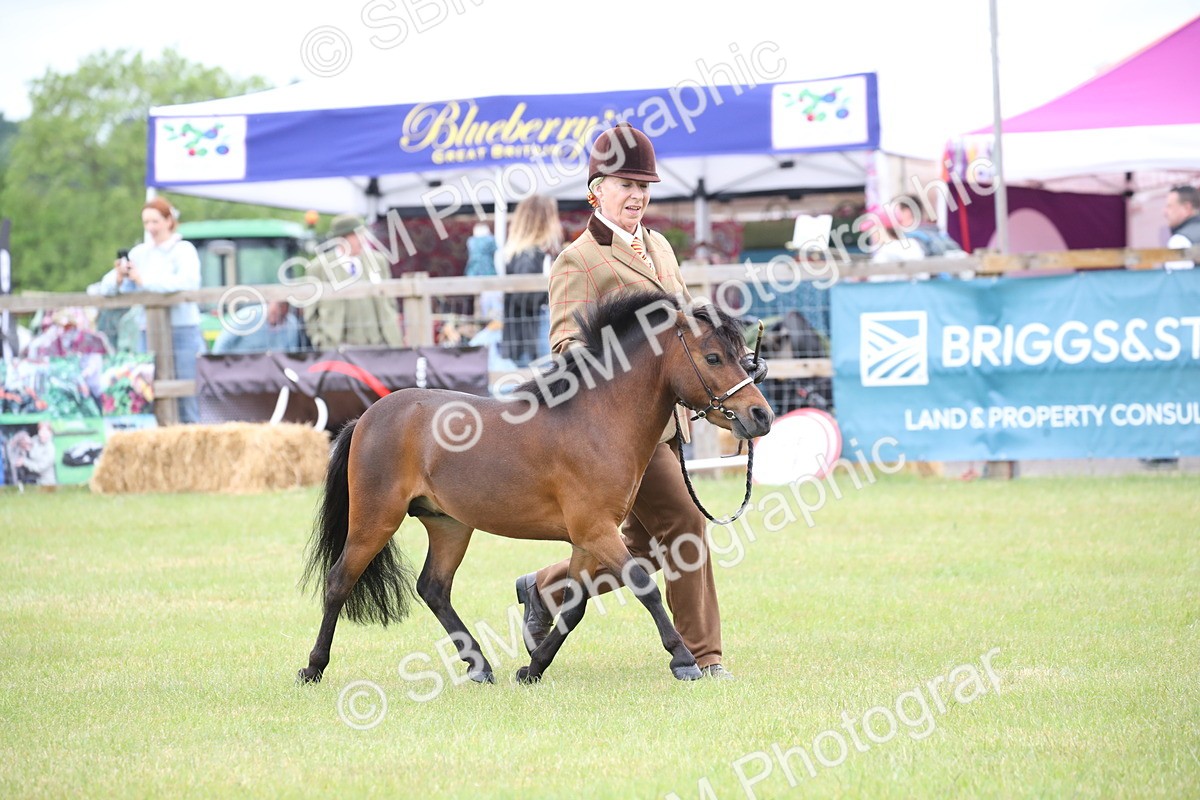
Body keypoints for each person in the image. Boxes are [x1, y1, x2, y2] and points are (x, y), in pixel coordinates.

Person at [512, 122, 768, 680]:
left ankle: (546, 587)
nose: (637, 196)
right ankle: (704, 657)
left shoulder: (659, 247)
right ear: (596, 190)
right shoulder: (578, 260)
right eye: (625, 185)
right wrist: (622, 372)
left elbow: (689, 327)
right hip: (616, 434)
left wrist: (734, 359)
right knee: (685, 526)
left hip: (668, 423)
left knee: (643, 548)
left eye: (644, 186)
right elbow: (565, 344)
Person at [95, 197, 203, 423]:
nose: (151, 227)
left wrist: (144, 281)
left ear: (168, 221)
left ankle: (191, 435)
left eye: (155, 221)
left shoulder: (184, 250)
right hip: (148, 331)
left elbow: (188, 282)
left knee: (187, 391)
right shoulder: (140, 253)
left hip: (182, 329)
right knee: (147, 391)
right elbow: (105, 288)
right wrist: (119, 277)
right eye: (146, 222)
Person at [302, 214, 404, 350]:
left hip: (380, 345)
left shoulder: (378, 261)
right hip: (340, 348)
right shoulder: (319, 267)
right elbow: (310, 314)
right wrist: (321, 341)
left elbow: (390, 302)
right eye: (356, 235)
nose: (362, 240)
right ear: (341, 239)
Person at [501, 195, 562, 367]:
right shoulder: (528, 256)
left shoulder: (528, 254)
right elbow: (526, 298)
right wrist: (551, 287)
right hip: (532, 340)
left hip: (527, 339)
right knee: (547, 378)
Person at [1164, 185, 1200, 270]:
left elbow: (1177, 277)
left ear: (1186, 208)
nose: (1164, 212)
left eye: (1169, 206)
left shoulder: (1180, 240)